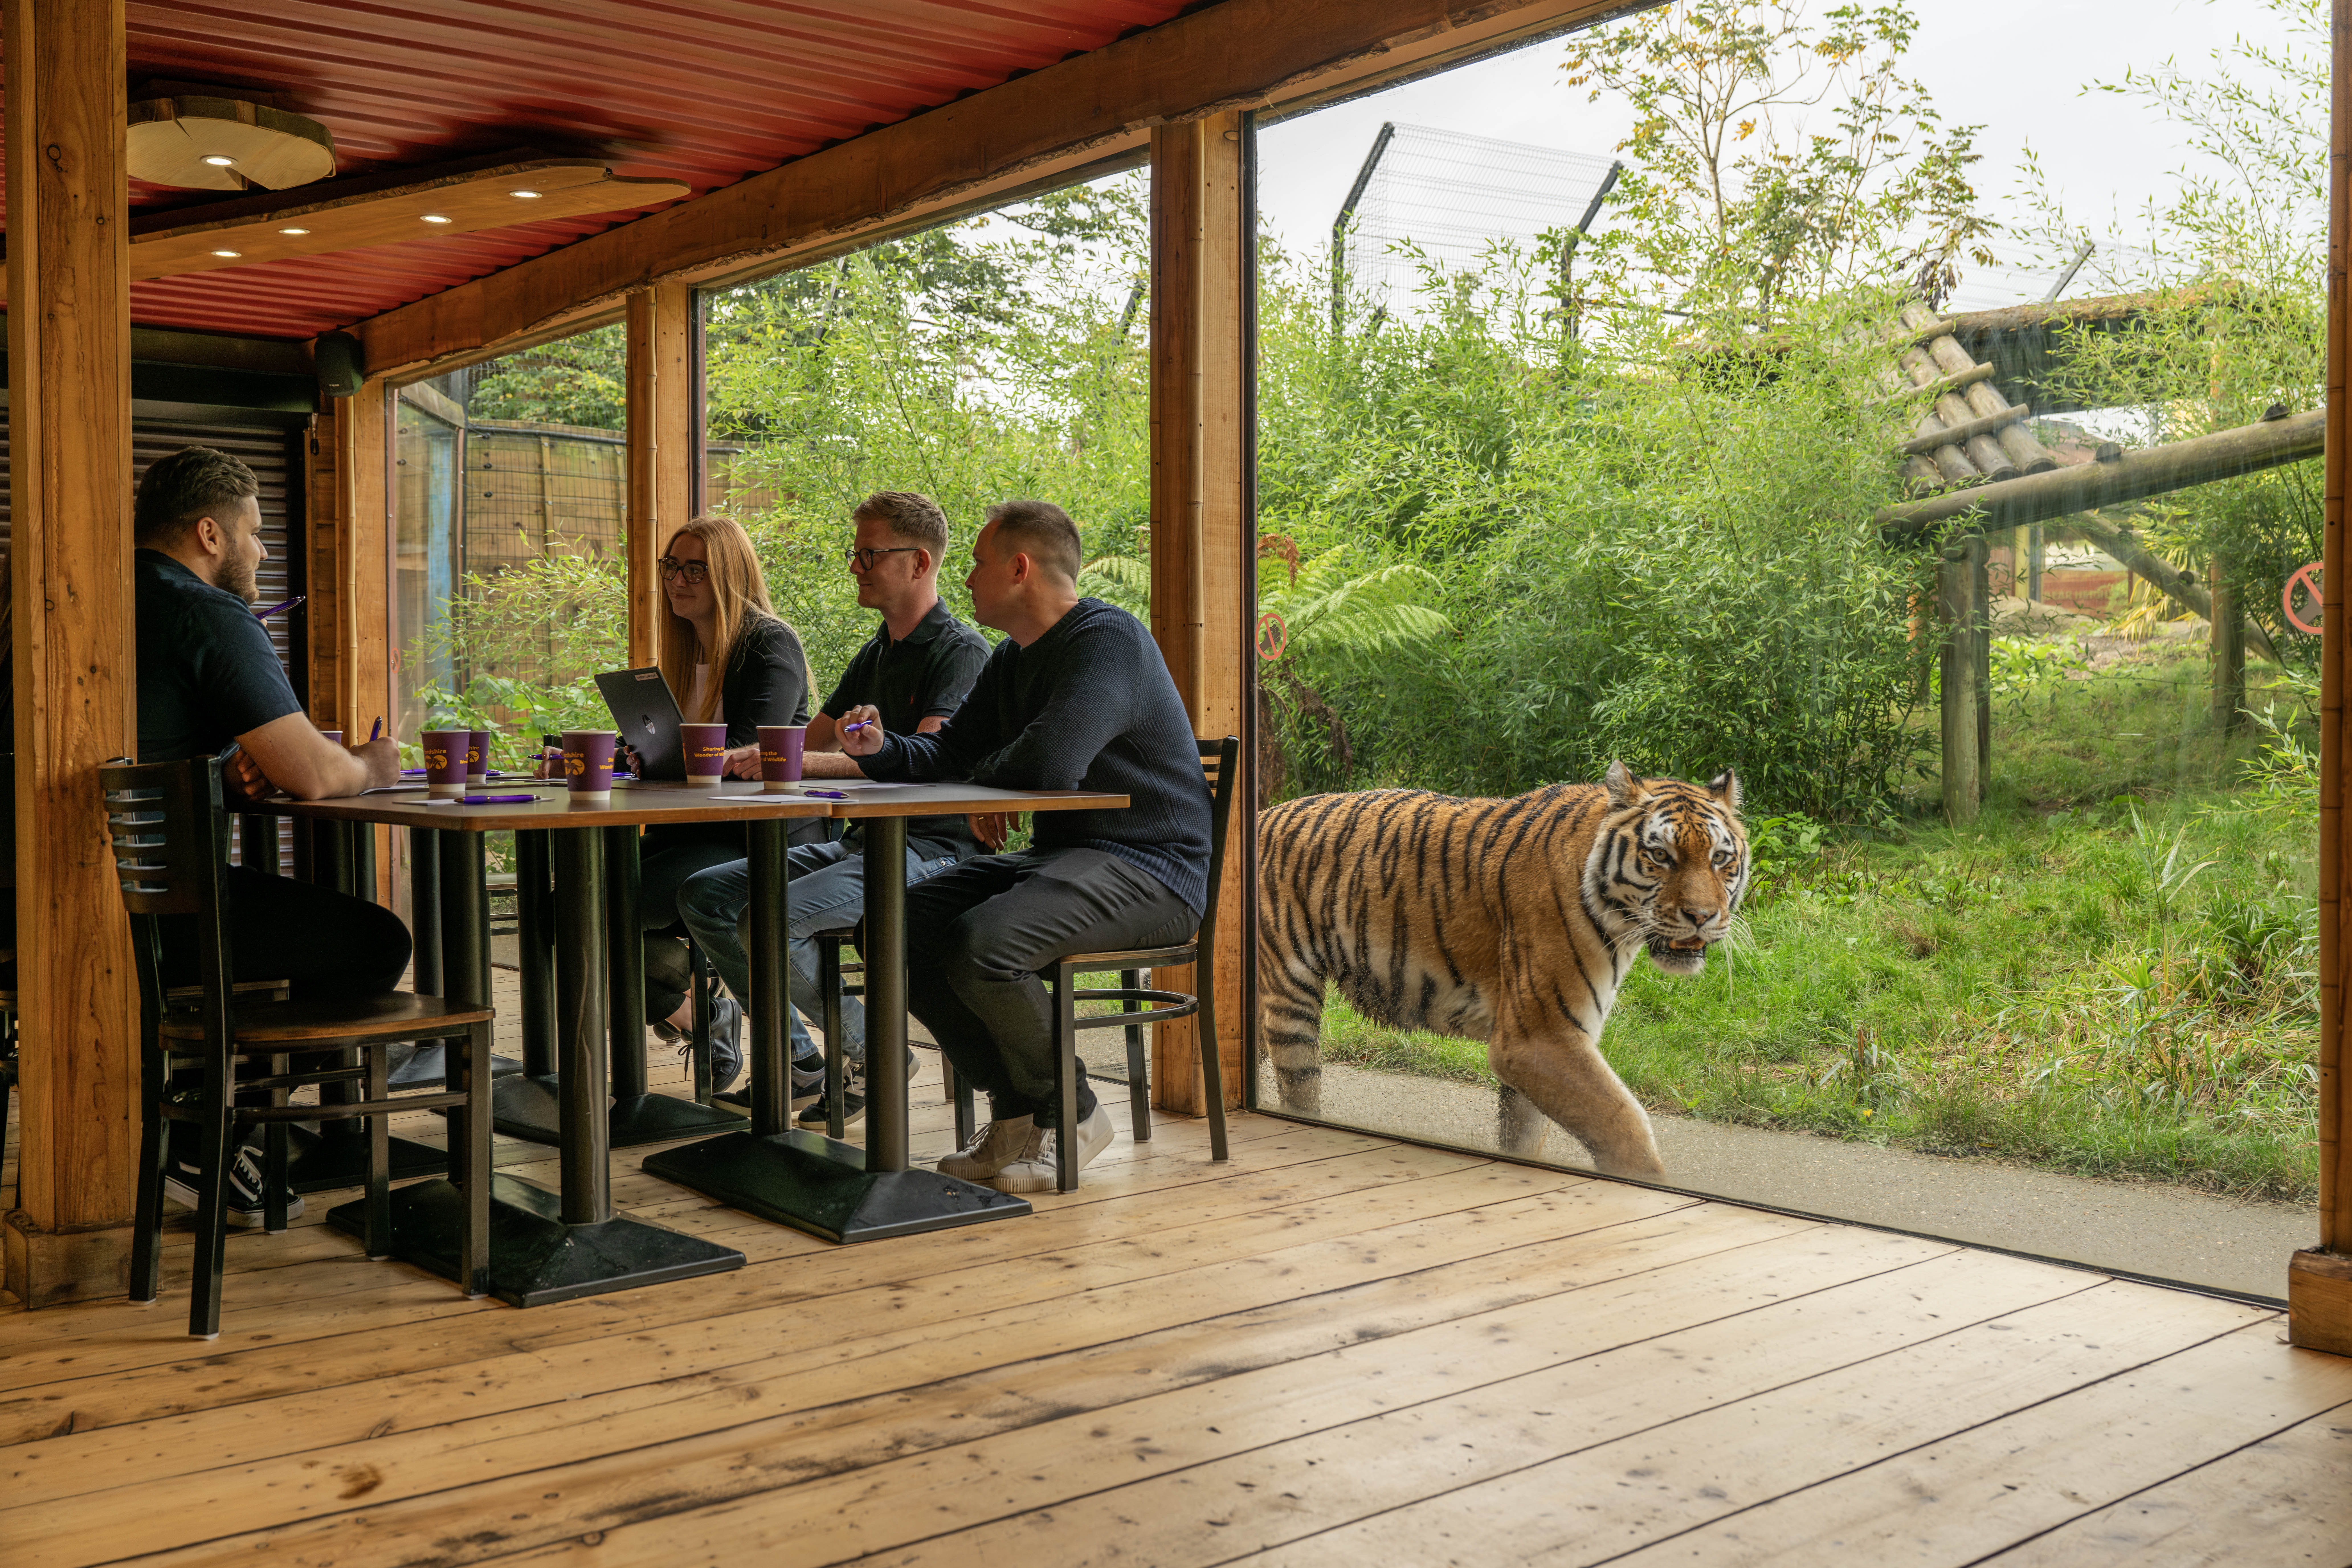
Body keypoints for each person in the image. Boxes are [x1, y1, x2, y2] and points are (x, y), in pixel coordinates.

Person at [840, 499, 1210, 1193]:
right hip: (1068, 861)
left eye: (978, 564)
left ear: (1020, 568)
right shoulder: (1012, 659)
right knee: (893, 927)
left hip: (1153, 870)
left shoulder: (1108, 638)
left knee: (986, 943)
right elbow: (951, 751)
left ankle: (1072, 1114)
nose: (969, 579)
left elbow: (1050, 763)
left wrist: (989, 778)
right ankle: (1015, 1115)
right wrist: (881, 747)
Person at [134, 446, 411, 1226]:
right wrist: (376, 762)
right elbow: (317, 775)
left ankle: (209, 1112)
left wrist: (222, 775)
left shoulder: (86, 596)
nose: (264, 552)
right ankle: (217, 1129)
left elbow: (135, 748)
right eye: (256, 534)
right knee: (373, 942)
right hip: (153, 917)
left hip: (56, 896)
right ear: (209, 534)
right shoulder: (203, 610)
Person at [677, 491, 990, 1124]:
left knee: (769, 917)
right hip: (861, 845)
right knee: (705, 896)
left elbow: (925, 757)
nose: (856, 566)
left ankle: (874, 1052)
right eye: (856, 553)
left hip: (936, 851)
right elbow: (808, 742)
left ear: (919, 562)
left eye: (870, 554)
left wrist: (781, 760)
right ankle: (799, 1062)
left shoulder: (962, 651)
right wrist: (758, 755)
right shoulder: (877, 654)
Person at [636, 516, 814, 1092]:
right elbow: (685, 758)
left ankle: (795, 1054)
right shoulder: (687, 652)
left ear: (730, 576)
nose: (678, 580)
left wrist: (674, 762)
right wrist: (639, 756)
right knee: (572, 907)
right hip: (693, 833)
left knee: (596, 909)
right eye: (671, 566)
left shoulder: (769, 643)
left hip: (755, 839)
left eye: (695, 569)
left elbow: (747, 758)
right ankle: (701, 1013)